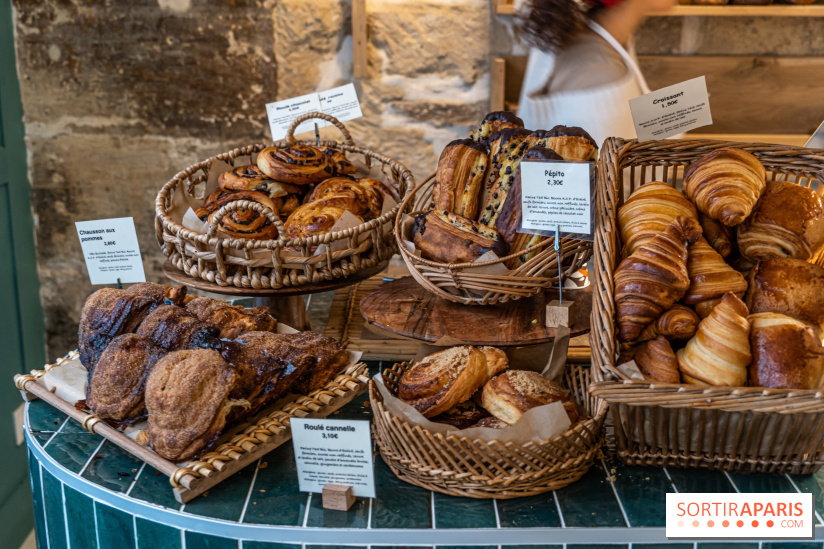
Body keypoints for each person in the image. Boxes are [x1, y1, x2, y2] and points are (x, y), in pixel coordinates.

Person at [517, 0, 678, 147]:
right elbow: (620, 161)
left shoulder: (595, 40)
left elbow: (632, 117)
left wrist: (689, 105)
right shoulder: (602, 70)